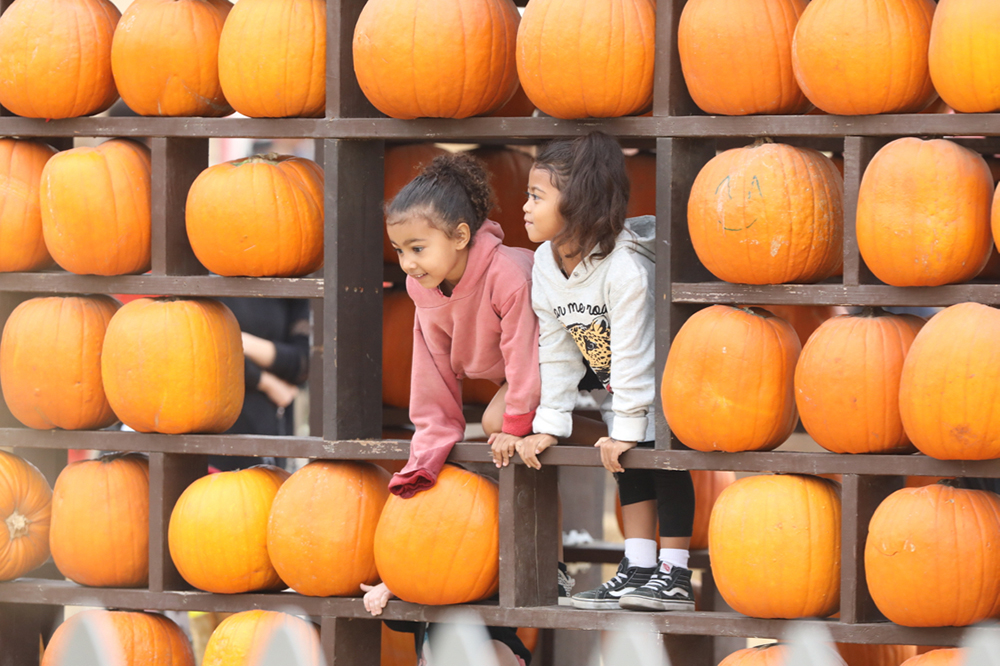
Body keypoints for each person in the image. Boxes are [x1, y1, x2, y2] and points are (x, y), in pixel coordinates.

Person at [515, 131, 697, 612]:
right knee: (624, 462)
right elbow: (555, 347)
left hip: (666, 382)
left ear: (577, 203)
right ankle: (638, 566)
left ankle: (675, 572)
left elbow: (638, 351)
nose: (526, 207)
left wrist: (631, 424)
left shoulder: (626, 268)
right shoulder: (544, 263)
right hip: (621, 384)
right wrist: (551, 424)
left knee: (663, 458)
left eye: (536, 196)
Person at [382, 152, 573, 602]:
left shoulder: (508, 273)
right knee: (498, 429)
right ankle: (574, 431)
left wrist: (515, 425)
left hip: (561, 357)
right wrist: (430, 440)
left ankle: (554, 561)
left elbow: (526, 351)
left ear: (461, 236)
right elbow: (429, 361)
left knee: (495, 426)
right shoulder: (421, 285)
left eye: (418, 248)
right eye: (399, 251)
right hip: (513, 371)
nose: (408, 263)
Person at [209, 297, 310, 472]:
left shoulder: (291, 284)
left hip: (270, 426)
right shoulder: (211, 278)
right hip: (218, 422)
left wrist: (240, 340)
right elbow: (208, 350)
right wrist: (266, 382)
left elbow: (301, 364)